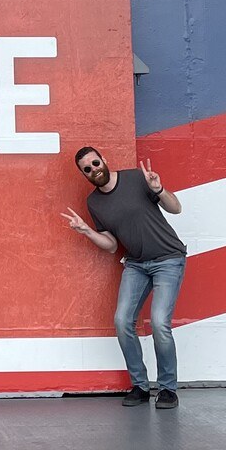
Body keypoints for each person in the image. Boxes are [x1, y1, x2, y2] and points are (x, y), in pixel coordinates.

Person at [62, 146, 187, 409]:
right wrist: (86, 231)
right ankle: (140, 386)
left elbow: (176, 209)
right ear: (84, 174)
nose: (94, 169)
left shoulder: (135, 178)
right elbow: (109, 244)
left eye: (95, 163)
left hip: (168, 259)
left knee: (160, 323)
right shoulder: (93, 203)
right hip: (136, 264)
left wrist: (158, 190)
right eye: (87, 169)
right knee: (121, 321)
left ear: (103, 159)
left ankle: (167, 389)